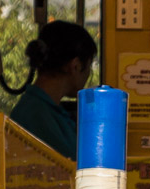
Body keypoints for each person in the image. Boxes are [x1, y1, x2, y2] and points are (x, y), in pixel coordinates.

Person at [6, 20, 97, 161]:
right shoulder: (38, 115)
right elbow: (76, 161)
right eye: (89, 65)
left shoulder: (44, 109)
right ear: (76, 66)